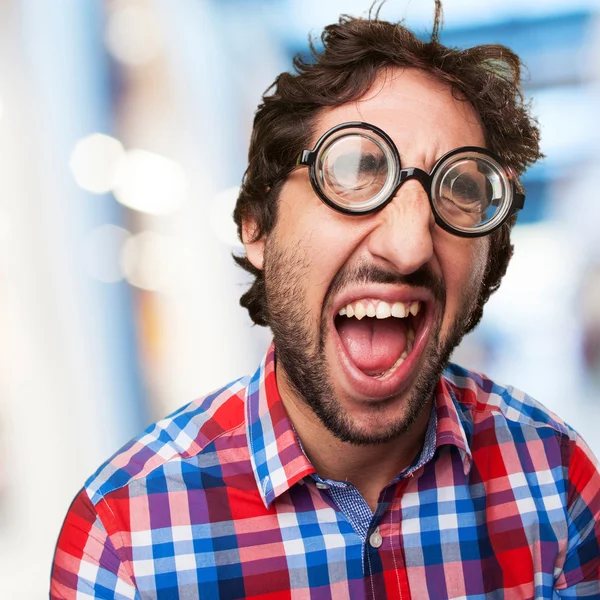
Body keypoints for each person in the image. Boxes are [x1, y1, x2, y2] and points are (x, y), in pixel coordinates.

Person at [51, 3, 600, 599]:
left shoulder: (556, 479)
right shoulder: (124, 536)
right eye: (356, 170)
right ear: (258, 227)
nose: (411, 245)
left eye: (462, 190)